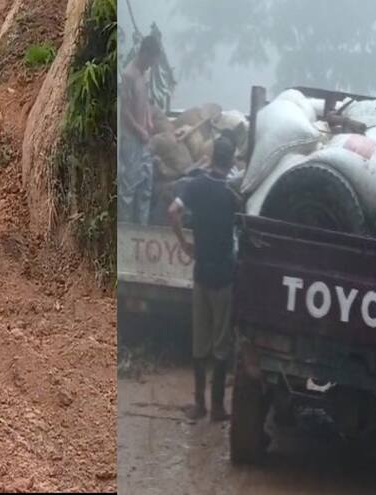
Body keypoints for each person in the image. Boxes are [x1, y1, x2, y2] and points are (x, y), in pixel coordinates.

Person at [169, 134, 242, 421]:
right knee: (221, 345)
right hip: (224, 277)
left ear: (211, 157)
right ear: (233, 159)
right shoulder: (233, 194)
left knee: (199, 342)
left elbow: (172, 211)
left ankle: (199, 404)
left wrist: (184, 244)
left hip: (201, 273)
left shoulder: (195, 186)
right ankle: (219, 408)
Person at [119, 35, 162, 225]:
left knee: (146, 187)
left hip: (145, 140)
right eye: (151, 61)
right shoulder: (128, 75)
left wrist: (149, 120)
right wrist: (139, 130)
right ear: (144, 54)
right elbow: (125, 112)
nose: (151, 66)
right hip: (132, 139)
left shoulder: (144, 74)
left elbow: (145, 103)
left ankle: (142, 229)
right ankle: (126, 232)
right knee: (129, 189)